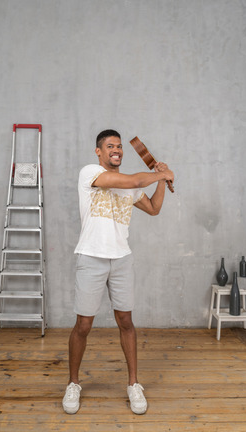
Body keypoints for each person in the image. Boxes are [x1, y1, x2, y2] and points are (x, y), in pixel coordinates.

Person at [63, 129, 174, 415]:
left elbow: (154, 208)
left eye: (120, 147)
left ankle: (134, 384)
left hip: (121, 259)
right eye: (110, 146)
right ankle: (73, 384)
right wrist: (160, 174)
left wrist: (162, 180)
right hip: (91, 257)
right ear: (98, 151)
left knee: (126, 322)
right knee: (83, 326)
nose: (117, 150)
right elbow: (135, 179)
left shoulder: (132, 187)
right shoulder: (90, 173)